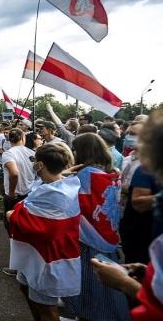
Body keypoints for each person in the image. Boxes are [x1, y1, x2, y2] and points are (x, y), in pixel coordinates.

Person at [87, 111, 163, 320]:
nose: (128, 137)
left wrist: (124, 283)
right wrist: (147, 270)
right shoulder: (133, 163)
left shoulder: (144, 171)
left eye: (138, 135)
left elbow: (156, 305)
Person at [7, 144, 82, 321]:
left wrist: (12, 215)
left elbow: (30, 220)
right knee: (27, 291)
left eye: (34, 161)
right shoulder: (61, 185)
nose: (32, 164)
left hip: (46, 259)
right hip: (36, 256)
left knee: (46, 309)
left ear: (40, 165)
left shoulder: (55, 194)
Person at [62, 133, 130, 321]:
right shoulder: (111, 170)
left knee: (89, 283)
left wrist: (67, 173)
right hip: (107, 232)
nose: (73, 152)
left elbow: (63, 187)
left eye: (75, 149)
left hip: (89, 236)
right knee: (106, 285)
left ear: (83, 151)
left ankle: (87, 315)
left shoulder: (85, 174)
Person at [1, 128, 36, 276]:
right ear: (22, 138)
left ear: (10, 139)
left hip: (15, 197)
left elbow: (14, 173)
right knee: (26, 230)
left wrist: (11, 191)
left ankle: (17, 266)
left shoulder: (8, 154)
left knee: (13, 231)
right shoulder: (32, 153)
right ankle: (27, 263)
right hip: (30, 194)